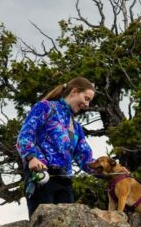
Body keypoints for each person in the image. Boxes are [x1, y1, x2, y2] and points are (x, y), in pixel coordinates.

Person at [16, 77, 97, 217]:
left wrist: (109, 170)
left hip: (65, 181)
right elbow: (25, 134)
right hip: (41, 177)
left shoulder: (76, 127)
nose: (87, 104)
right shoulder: (46, 107)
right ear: (74, 91)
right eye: (86, 98)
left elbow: (85, 158)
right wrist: (31, 157)